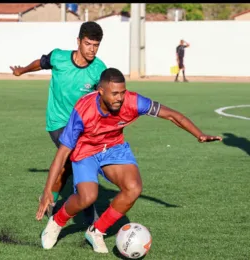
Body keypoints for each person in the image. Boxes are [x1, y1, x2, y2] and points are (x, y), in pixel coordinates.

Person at [36, 68, 222, 254]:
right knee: (88, 197)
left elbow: (172, 115)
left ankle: (96, 231)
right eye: (115, 93)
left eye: (123, 92)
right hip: (86, 150)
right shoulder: (83, 110)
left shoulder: (134, 101)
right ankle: (57, 221)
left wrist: (199, 134)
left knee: (134, 188)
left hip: (114, 148)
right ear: (100, 91)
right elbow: (62, 154)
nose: (120, 97)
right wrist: (47, 190)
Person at [10, 21, 107, 224]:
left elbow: (104, 97)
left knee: (71, 165)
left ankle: (50, 199)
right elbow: (41, 62)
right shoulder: (59, 58)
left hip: (83, 125)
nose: (92, 49)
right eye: (88, 43)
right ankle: (91, 216)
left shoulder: (99, 69)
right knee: (79, 158)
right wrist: (22, 70)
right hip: (58, 122)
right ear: (78, 41)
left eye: (96, 45)